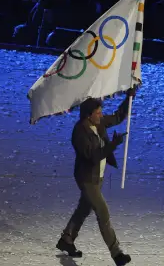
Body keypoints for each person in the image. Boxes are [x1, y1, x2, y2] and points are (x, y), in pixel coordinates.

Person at [56, 88, 137, 266]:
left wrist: (128, 97)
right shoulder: (79, 132)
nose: (101, 116)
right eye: (98, 113)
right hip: (86, 179)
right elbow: (93, 156)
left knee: (84, 209)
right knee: (102, 211)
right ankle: (117, 254)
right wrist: (113, 145)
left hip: (97, 177)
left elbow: (117, 117)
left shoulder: (98, 123)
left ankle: (67, 239)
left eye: (101, 113)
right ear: (88, 115)